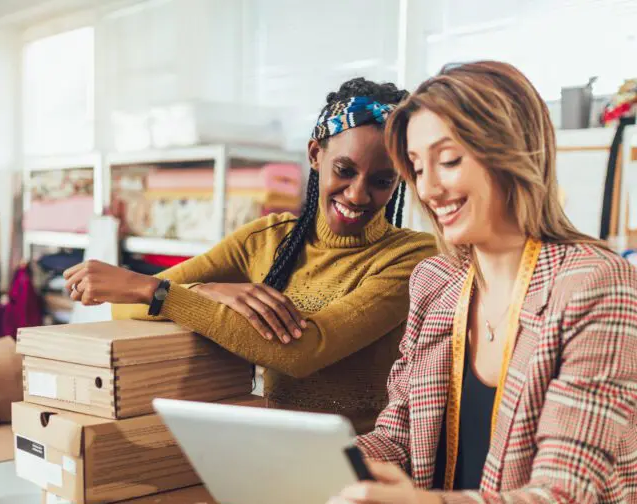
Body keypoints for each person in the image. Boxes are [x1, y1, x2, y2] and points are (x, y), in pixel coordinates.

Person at [326, 61, 637, 504]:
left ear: (511, 151)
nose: (429, 188)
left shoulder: (596, 285)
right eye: (417, 168)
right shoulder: (435, 283)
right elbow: (398, 436)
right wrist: (331, 462)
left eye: (449, 160)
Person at [63, 78, 437, 434]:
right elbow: (125, 305)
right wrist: (207, 290)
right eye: (344, 170)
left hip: (364, 465)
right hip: (272, 454)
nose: (357, 194)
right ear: (314, 155)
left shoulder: (411, 257)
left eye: (382, 181)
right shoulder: (268, 238)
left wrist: (163, 293)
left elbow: (304, 351)